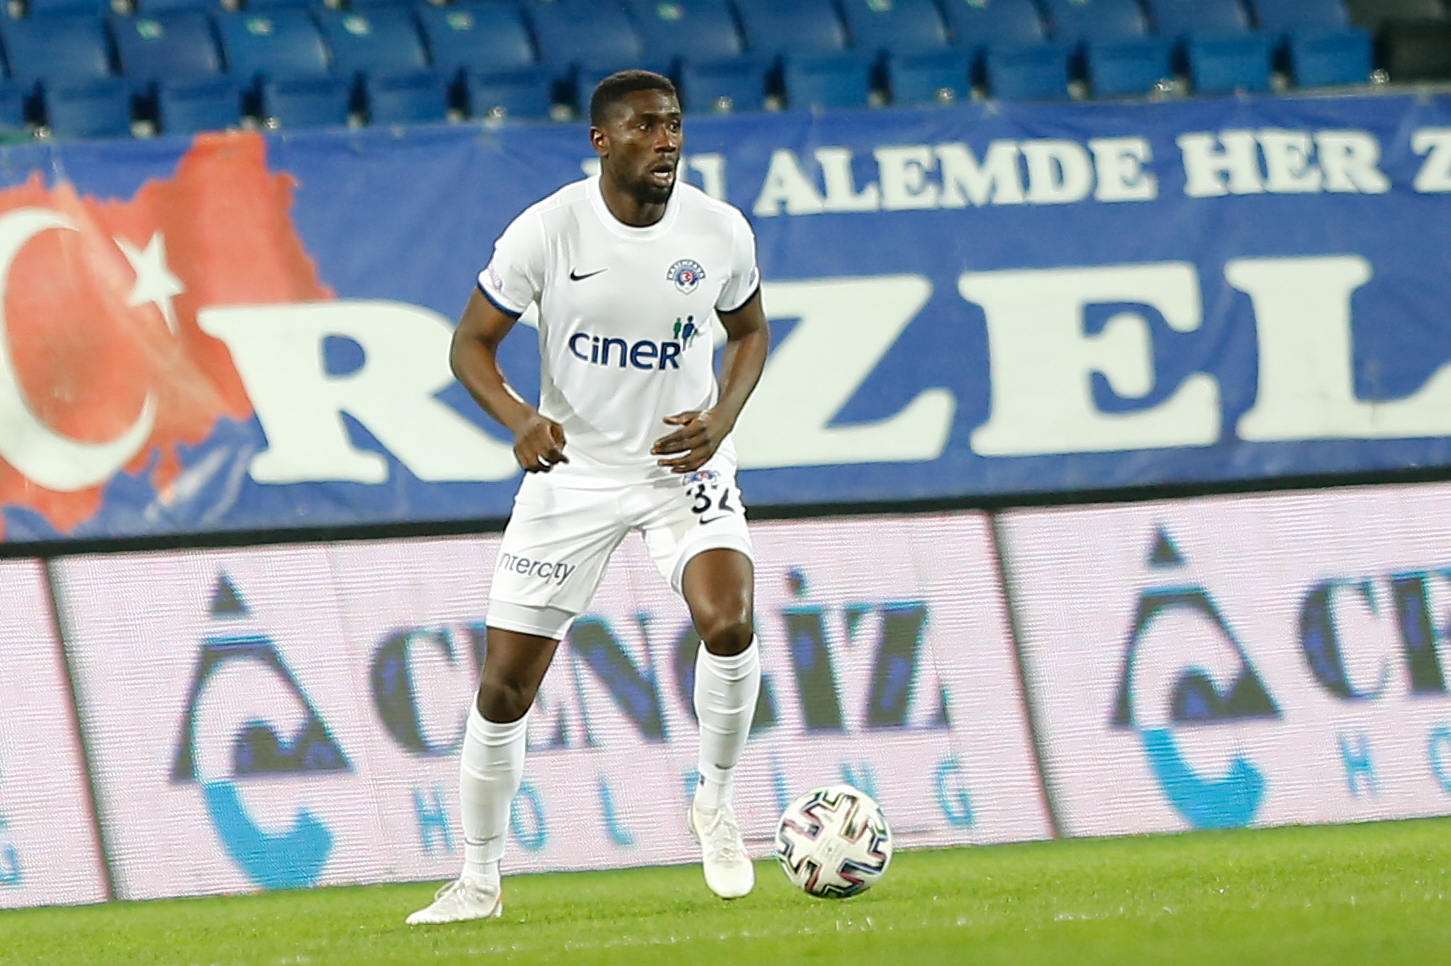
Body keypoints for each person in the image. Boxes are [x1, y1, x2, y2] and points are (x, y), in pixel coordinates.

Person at [407, 69, 770, 925]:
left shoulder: (718, 230)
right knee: (505, 689)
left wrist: (721, 418)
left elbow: (749, 330)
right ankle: (478, 881)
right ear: (602, 142)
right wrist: (518, 418)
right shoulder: (547, 230)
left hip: (679, 468)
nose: (666, 140)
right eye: (645, 126)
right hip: (570, 476)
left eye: (673, 124)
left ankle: (715, 804)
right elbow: (469, 345)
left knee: (729, 622)